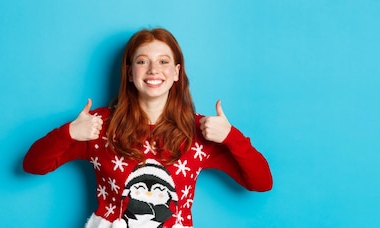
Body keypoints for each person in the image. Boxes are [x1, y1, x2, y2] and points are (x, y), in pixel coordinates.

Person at [23, 28, 272, 228]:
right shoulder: (99, 126)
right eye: (142, 61)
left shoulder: (198, 131)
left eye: (163, 61)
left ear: (176, 73)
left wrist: (231, 137)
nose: (154, 70)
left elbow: (261, 182)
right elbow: (33, 165)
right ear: (130, 73)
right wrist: (69, 133)